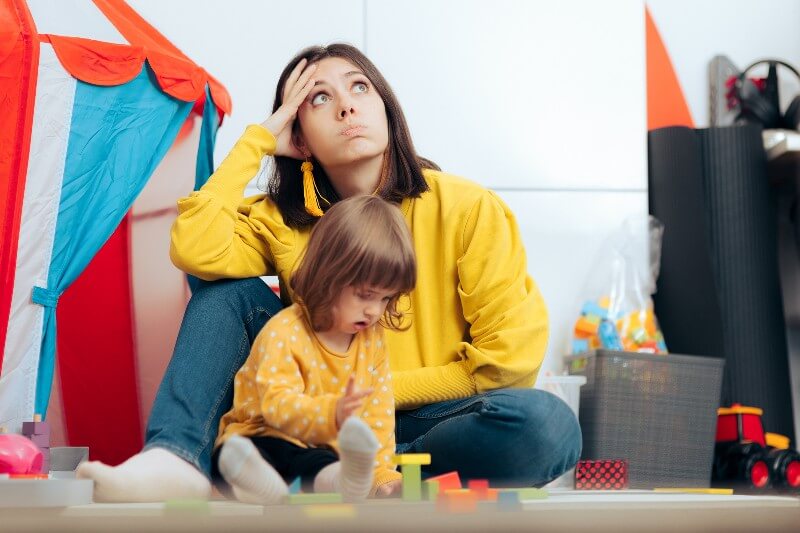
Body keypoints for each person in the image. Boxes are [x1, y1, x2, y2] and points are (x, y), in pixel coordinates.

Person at [77, 43, 582, 502]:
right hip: (321, 421)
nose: (347, 105)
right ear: (299, 136)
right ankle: (178, 457)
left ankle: (347, 477)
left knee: (546, 426)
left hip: (434, 422)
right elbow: (194, 247)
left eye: (359, 87)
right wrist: (257, 141)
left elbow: (508, 363)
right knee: (225, 293)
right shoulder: (283, 219)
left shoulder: (466, 207)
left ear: (385, 107)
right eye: (320, 98)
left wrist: (375, 397)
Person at [212, 195, 413, 504]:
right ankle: (262, 485)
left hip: (319, 452)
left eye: (386, 299)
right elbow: (276, 408)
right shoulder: (286, 330)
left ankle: (346, 482)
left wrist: (381, 473)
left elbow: (379, 412)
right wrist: (331, 412)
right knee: (233, 454)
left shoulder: (371, 340)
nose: (374, 311)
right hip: (264, 435)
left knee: (322, 464)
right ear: (329, 276)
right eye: (365, 295)